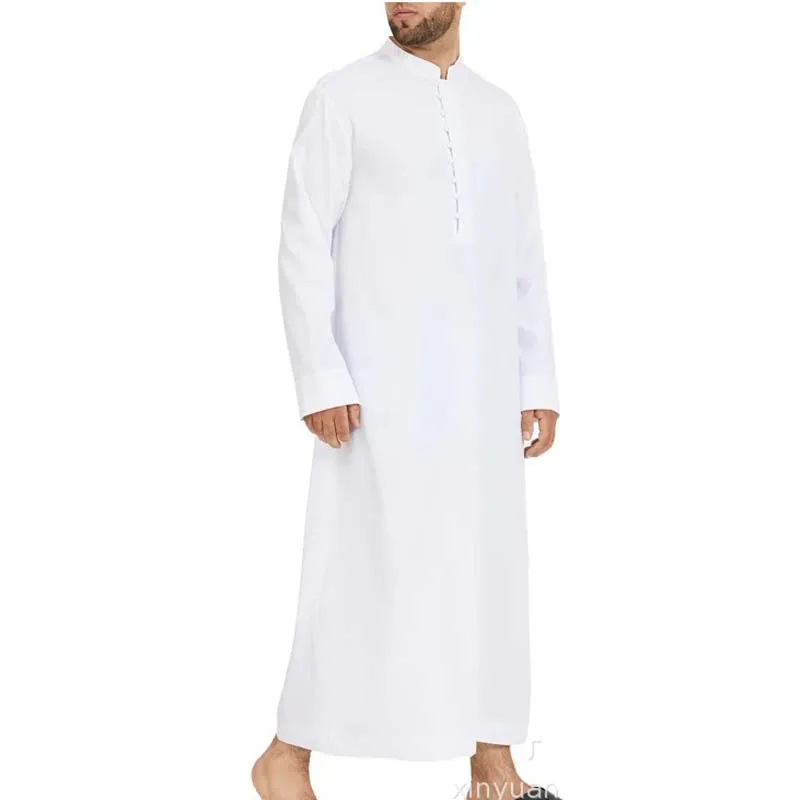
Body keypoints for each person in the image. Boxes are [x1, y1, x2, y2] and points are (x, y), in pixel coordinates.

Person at [253, 4, 561, 799]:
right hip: (377, 392)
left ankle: (494, 766)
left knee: (491, 573)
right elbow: (301, 241)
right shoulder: (342, 97)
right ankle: (286, 757)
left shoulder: (499, 112)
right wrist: (320, 375)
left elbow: (524, 252)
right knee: (362, 568)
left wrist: (536, 378)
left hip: (484, 391)